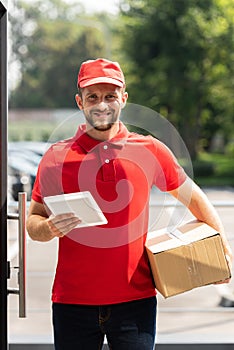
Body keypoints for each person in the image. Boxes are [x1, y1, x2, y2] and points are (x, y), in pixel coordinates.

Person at [26, 58, 233, 350]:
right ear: (79, 101)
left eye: (110, 96)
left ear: (123, 98)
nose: (102, 104)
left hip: (135, 303)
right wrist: (47, 228)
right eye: (93, 97)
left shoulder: (150, 149)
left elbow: (194, 198)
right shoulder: (55, 158)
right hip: (72, 303)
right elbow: (32, 222)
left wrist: (221, 250)